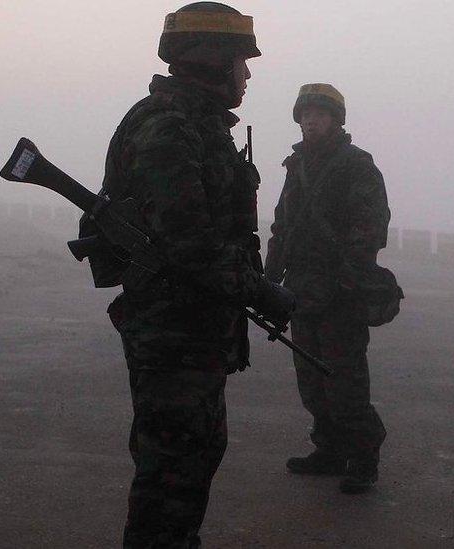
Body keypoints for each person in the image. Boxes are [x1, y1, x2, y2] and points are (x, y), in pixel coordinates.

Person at [97, 3, 294, 546]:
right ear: (211, 61)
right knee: (171, 476)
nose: (247, 73)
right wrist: (265, 293)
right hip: (173, 335)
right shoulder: (170, 129)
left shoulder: (195, 125)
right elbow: (191, 245)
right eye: (240, 60)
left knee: (192, 459)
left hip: (191, 332)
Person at [265, 83, 390, 495]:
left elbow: (369, 226)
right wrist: (269, 278)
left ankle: (363, 456)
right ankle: (330, 450)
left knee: (345, 378)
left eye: (318, 114)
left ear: (336, 120)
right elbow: (283, 226)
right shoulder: (296, 166)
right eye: (304, 114)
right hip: (302, 289)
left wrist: (348, 278)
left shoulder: (356, 165)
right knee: (312, 379)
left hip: (341, 291)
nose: (309, 121)